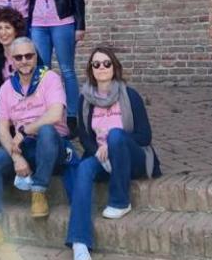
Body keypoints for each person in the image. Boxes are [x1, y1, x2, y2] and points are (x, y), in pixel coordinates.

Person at [0, 38, 76, 253]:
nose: (24, 60)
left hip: (52, 147)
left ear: (36, 56)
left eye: (29, 55)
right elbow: (1, 128)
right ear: (11, 60)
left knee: (46, 130)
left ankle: (38, 192)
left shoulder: (49, 78)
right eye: (18, 57)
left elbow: (55, 114)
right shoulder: (7, 88)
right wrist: (16, 157)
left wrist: (25, 130)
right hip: (24, 148)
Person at [66, 46, 161, 260]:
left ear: (114, 66)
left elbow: (145, 136)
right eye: (96, 64)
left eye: (106, 63)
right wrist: (98, 150)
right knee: (83, 168)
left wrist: (111, 145)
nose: (102, 67)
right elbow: (84, 137)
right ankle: (79, 243)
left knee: (116, 135)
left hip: (132, 157)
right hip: (103, 158)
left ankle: (120, 201)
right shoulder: (85, 99)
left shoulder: (130, 95)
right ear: (91, 69)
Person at [29, 0, 86, 130]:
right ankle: (48, 114)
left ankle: (72, 116)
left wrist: (80, 25)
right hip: (38, 25)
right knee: (42, 70)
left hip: (62, 23)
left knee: (67, 70)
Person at [0, 6, 27, 93]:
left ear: (16, 30)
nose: (3, 32)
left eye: (7, 27)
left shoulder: (27, 48)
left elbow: (39, 77)